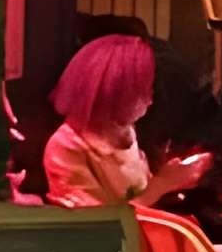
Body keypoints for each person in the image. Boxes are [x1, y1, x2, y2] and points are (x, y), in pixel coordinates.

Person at [44, 34, 210, 209]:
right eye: (141, 92)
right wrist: (163, 183)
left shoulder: (126, 131)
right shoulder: (67, 147)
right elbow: (100, 221)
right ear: (115, 93)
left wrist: (176, 177)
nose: (149, 100)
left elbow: (142, 196)